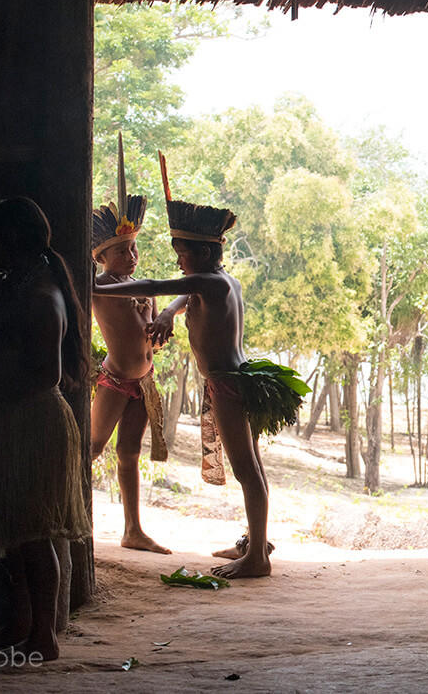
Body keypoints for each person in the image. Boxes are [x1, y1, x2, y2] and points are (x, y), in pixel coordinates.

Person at [93, 154, 307, 579]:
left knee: (247, 469)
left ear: (203, 254)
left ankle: (257, 559)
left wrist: (85, 282)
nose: (178, 262)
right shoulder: (223, 280)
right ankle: (255, 541)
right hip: (233, 378)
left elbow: (159, 285)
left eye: (182, 253)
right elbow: (182, 295)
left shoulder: (205, 280)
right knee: (253, 468)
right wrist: (171, 312)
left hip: (227, 383)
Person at [0, 197, 92, 660]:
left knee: (34, 536)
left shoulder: (40, 294)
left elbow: (47, 374)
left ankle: (45, 637)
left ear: (14, 237)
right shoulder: (19, 284)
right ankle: (21, 623)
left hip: (31, 422)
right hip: (10, 419)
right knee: (15, 533)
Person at [89, 139, 181, 554]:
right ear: (102, 257)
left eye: (134, 248)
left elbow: (176, 301)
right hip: (115, 381)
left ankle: (133, 530)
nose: (133, 255)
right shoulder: (102, 285)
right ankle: (71, 514)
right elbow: (86, 282)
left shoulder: (142, 288)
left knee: (129, 453)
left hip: (143, 383)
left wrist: (164, 320)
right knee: (92, 448)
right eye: (123, 250)